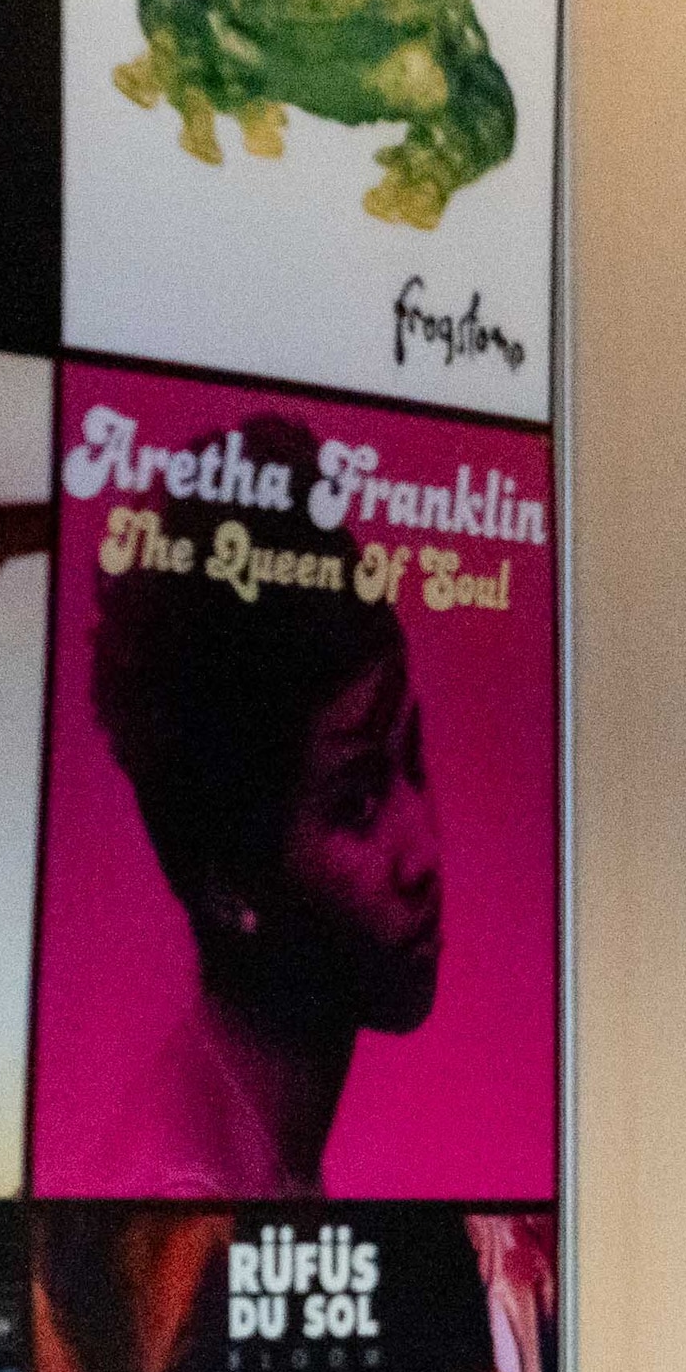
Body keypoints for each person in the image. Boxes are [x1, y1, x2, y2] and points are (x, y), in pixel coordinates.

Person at [89, 410, 450, 1197]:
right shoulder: (184, 1194)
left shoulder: (258, 1161)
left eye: (413, 761)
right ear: (227, 886)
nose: (423, 854)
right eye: (356, 802)